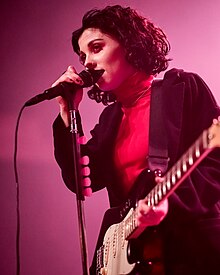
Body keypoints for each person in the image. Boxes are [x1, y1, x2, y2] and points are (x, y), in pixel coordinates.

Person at [52, 5, 220, 275]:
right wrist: (66, 113)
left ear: (130, 45)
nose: (87, 63)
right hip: (138, 257)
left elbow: (215, 165)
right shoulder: (110, 120)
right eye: (82, 56)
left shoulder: (182, 88)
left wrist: (171, 205)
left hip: (192, 250)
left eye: (96, 48)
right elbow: (81, 180)